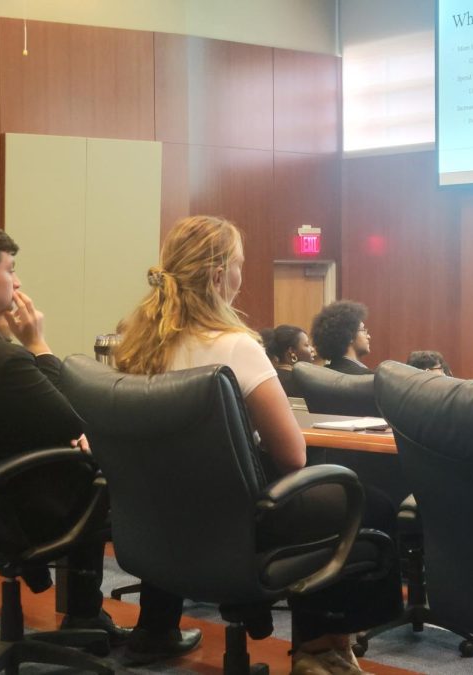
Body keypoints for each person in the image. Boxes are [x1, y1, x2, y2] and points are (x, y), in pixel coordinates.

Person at [115, 215, 401, 674]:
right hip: (238, 525)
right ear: (217, 275)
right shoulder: (235, 346)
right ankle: (321, 649)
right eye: (239, 265)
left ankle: (160, 629)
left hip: (161, 525)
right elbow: (293, 455)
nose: (241, 277)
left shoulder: (138, 347)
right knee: (366, 503)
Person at [0, 225, 137, 646]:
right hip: (12, 513)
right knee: (100, 476)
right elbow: (71, 418)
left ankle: (85, 616)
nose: (17, 283)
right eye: (11, 271)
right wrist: (37, 343)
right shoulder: (1, 358)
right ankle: (90, 619)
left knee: (77, 465)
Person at [311, 301, 372, 375]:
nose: (368, 336)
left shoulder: (318, 377)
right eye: (363, 330)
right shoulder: (371, 378)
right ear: (349, 335)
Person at [268, 324, 315, 397]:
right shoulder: (304, 383)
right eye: (307, 345)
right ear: (292, 351)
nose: (312, 349)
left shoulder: (268, 379)